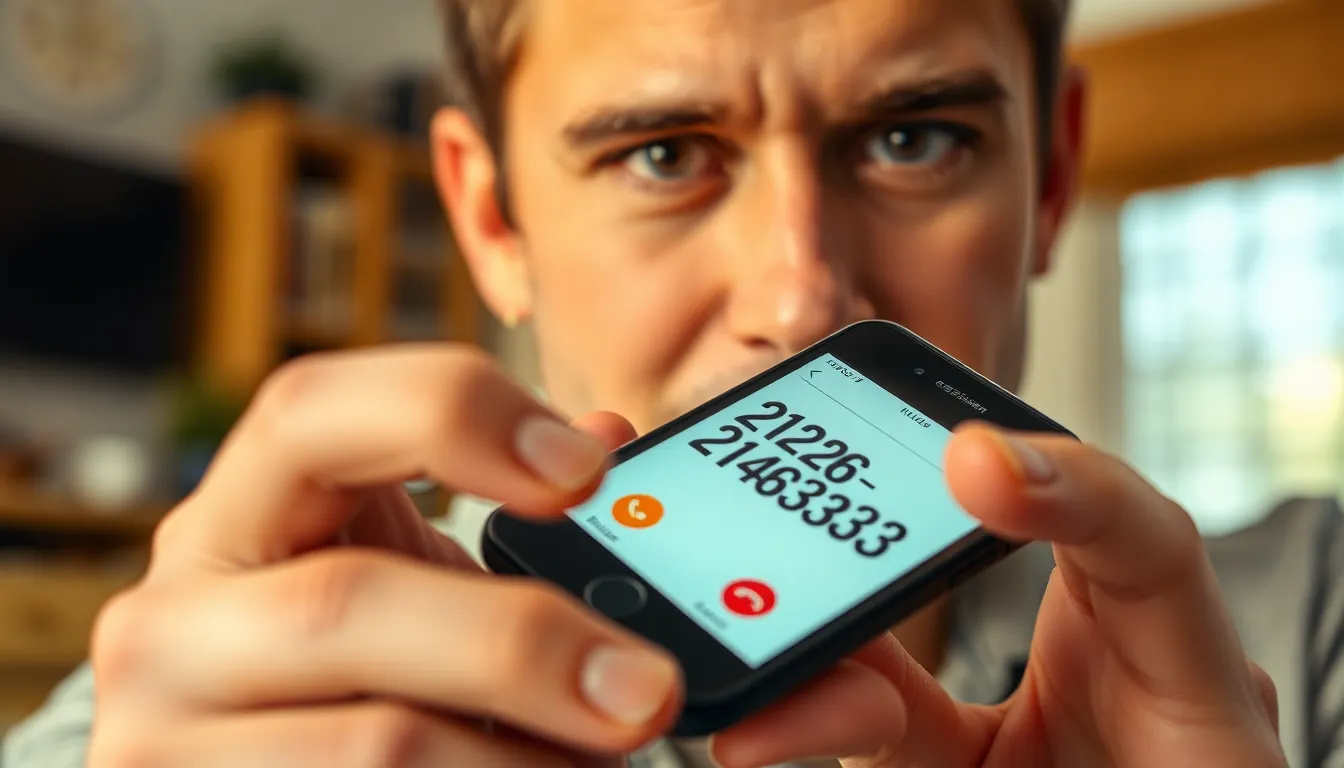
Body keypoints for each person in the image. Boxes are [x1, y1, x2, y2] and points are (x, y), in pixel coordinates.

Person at [4, 0, 1341, 765]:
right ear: (490, 220)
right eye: (662, 155)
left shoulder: (1307, 615)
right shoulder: (207, 718)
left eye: (914, 138)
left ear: (1050, 179)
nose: (801, 296)